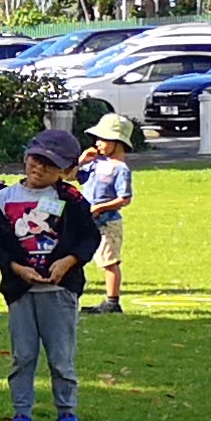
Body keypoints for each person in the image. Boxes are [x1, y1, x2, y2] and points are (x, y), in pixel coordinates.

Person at [0, 130, 96, 421]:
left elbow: (89, 237)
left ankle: (67, 414)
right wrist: (16, 268)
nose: (39, 167)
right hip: (21, 291)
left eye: (50, 164)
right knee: (23, 355)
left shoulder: (70, 199)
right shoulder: (3, 199)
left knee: (61, 356)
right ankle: (22, 414)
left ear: (66, 171)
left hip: (59, 291)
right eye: (36, 159)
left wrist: (69, 260)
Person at [76, 116, 137, 314]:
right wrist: (81, 161)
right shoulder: (96, 163)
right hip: (87, 220)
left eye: (102, 139)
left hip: (107, 223)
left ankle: (112, 301)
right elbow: (72, 176)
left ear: (117, 142)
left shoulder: (121, 170)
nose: (97, 144)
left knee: (108, 261)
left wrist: (101, 208)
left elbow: (124, 198)